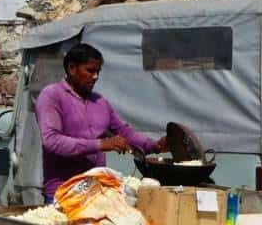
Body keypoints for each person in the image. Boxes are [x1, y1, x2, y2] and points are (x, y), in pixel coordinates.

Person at [35, 43, 168, 203]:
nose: (95, 77)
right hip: (63, 193)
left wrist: (154, 146)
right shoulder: (52, 96)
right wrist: (100, 144)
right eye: (90, 71)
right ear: (71, 68)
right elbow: (52, 141)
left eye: (98, 72)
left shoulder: (99, 102)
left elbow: (124, 132)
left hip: (96, 191)